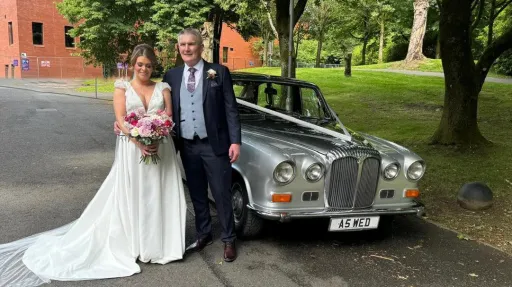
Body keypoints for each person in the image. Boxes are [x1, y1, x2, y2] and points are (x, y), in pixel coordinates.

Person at [0, 44, 187, 286]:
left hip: (161, 148)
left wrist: (157, 133)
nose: (144, 69)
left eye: (149, 65)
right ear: (133, 64)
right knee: (135, 194)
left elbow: (167, 117)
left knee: (159, 193)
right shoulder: (122, 87)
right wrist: (139, 141)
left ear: (154, 67)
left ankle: (160, 245)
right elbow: (120, 119)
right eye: (140, 64)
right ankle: (136, 243)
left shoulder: (163, 88)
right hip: (132, 150)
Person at [162, 28, 241, 262]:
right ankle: (204, 233)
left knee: (221, 193)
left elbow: (231, 110)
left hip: (215, 145)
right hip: (187, 145)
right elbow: (161, 107)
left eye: (192, 44)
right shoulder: (172, 76)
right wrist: (126, 122)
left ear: (201, 46)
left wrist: (235, 141)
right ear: (178, 47)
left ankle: (228, 239)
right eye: (183, 44)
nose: (187, 48)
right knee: (196, 193)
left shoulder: (219, 72)